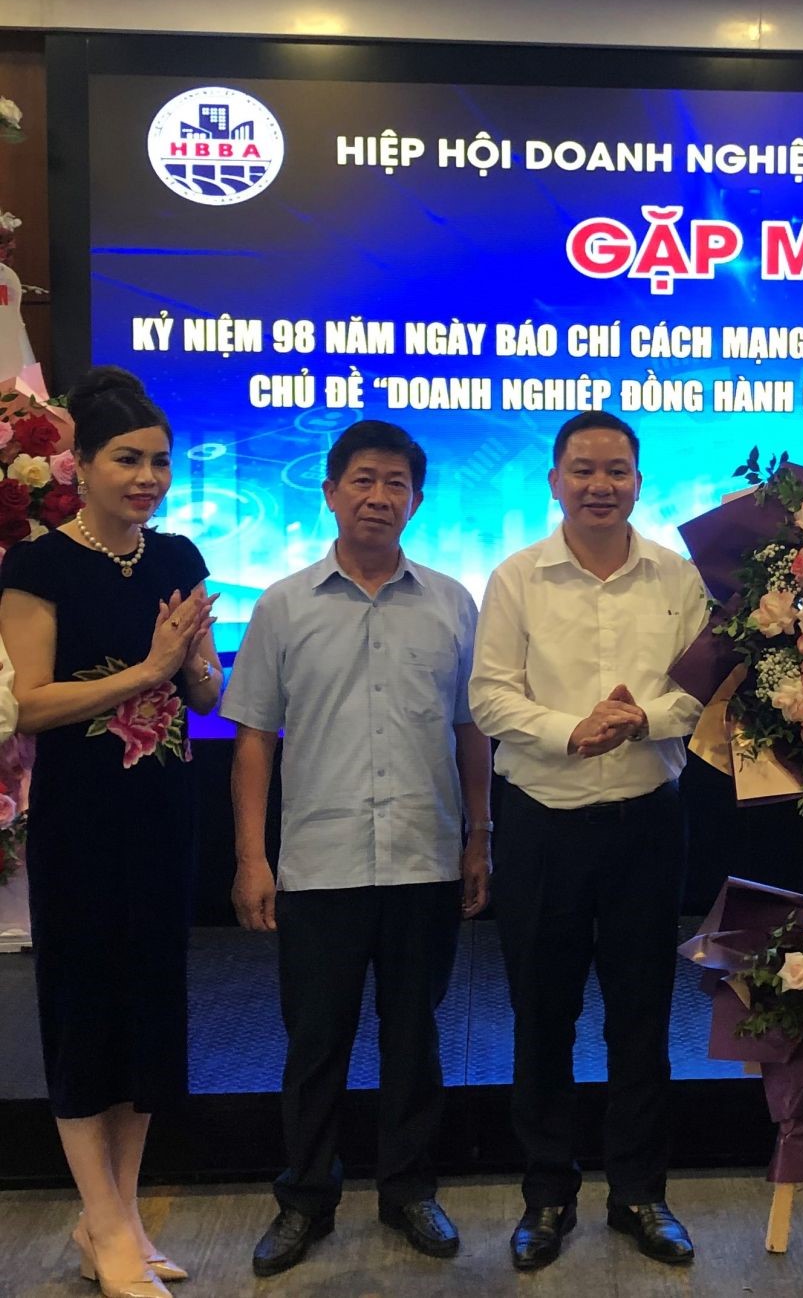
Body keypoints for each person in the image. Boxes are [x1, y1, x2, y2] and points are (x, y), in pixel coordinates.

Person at [223, 421, 490, 1277]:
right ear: (331, 491)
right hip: (321, 863)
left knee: (415, 1040)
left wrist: (479, 838)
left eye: (397, 484)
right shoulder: (283, 603)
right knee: (315, 1045)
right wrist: (251, 858)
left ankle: (410, 1189)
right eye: (363, 480)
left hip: (423, 859)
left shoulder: (453, 602)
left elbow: (469, 731)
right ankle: (305, 1198)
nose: (379, 497)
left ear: (416, 499)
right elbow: (255, 737)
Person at [469, 410, 709, 1272]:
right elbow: (491, 698)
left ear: (640, 481)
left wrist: (642, 719)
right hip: (543, 826)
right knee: (544, 1015)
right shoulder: (516, 579)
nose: (600, 485)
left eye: (616, 470)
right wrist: (575, 730)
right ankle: (547, 1193)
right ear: (555, 482)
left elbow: (701, 694)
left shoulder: (678, 579)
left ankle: (641, 1193)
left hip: (647, 824)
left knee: (641, 1017)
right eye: (583, 470)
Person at [0, 366, 219, 1298]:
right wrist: (150, 668)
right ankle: (110, 1225)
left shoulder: (178, 557)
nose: (148, 477)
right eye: (127, 459)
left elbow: (204, 692)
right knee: (87, 1017)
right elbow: (31, 705)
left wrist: (195, 666)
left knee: (146, 1020)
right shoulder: (40, 565)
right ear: (80, 466)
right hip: (80, 827)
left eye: (161, 461)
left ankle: (115, 1221)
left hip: (164, 818)